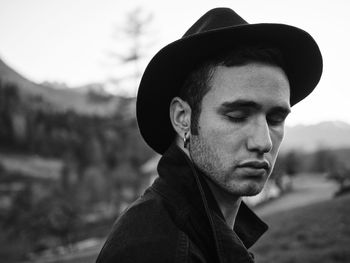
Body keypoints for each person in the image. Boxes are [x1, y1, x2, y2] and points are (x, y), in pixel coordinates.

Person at [96, 7, 322, 263]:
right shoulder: (155, 250)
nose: (264, 142)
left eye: (275, 119)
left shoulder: (204, 231)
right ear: (183, 118)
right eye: (237, 116)